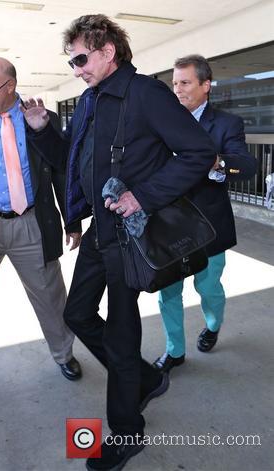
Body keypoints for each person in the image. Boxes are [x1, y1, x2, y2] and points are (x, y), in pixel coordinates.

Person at [21, 16, 217, 470]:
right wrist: (42, 130)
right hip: (99, 235)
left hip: (130, 237)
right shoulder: (92, 100)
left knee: (123, 340)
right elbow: (74, 162)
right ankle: (145, 380)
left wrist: (142, 195)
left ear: (108, 51)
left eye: (81, 59)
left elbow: (198, 152)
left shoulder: (146, 94)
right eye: (71, 62)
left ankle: (127, 433)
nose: (76, 69)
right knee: (77, 313)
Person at [0, 57, 82, 381]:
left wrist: (72, 220)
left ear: (11, 87)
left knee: (50, 295)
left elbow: (63, 171)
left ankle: (64, 354)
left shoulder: (43, 118)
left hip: (31, 224)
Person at [153, 54, 257, 374]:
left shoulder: (227, 124)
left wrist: (217, 162)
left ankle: (212, 325)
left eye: (185, 83)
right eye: (174, 83)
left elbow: (247, 166)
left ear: (205, 85)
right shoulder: (161, 122)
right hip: (168, 224)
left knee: (208, 288)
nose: (178, 89)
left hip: (210, 225)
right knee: (168, 293)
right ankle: (175, 351)